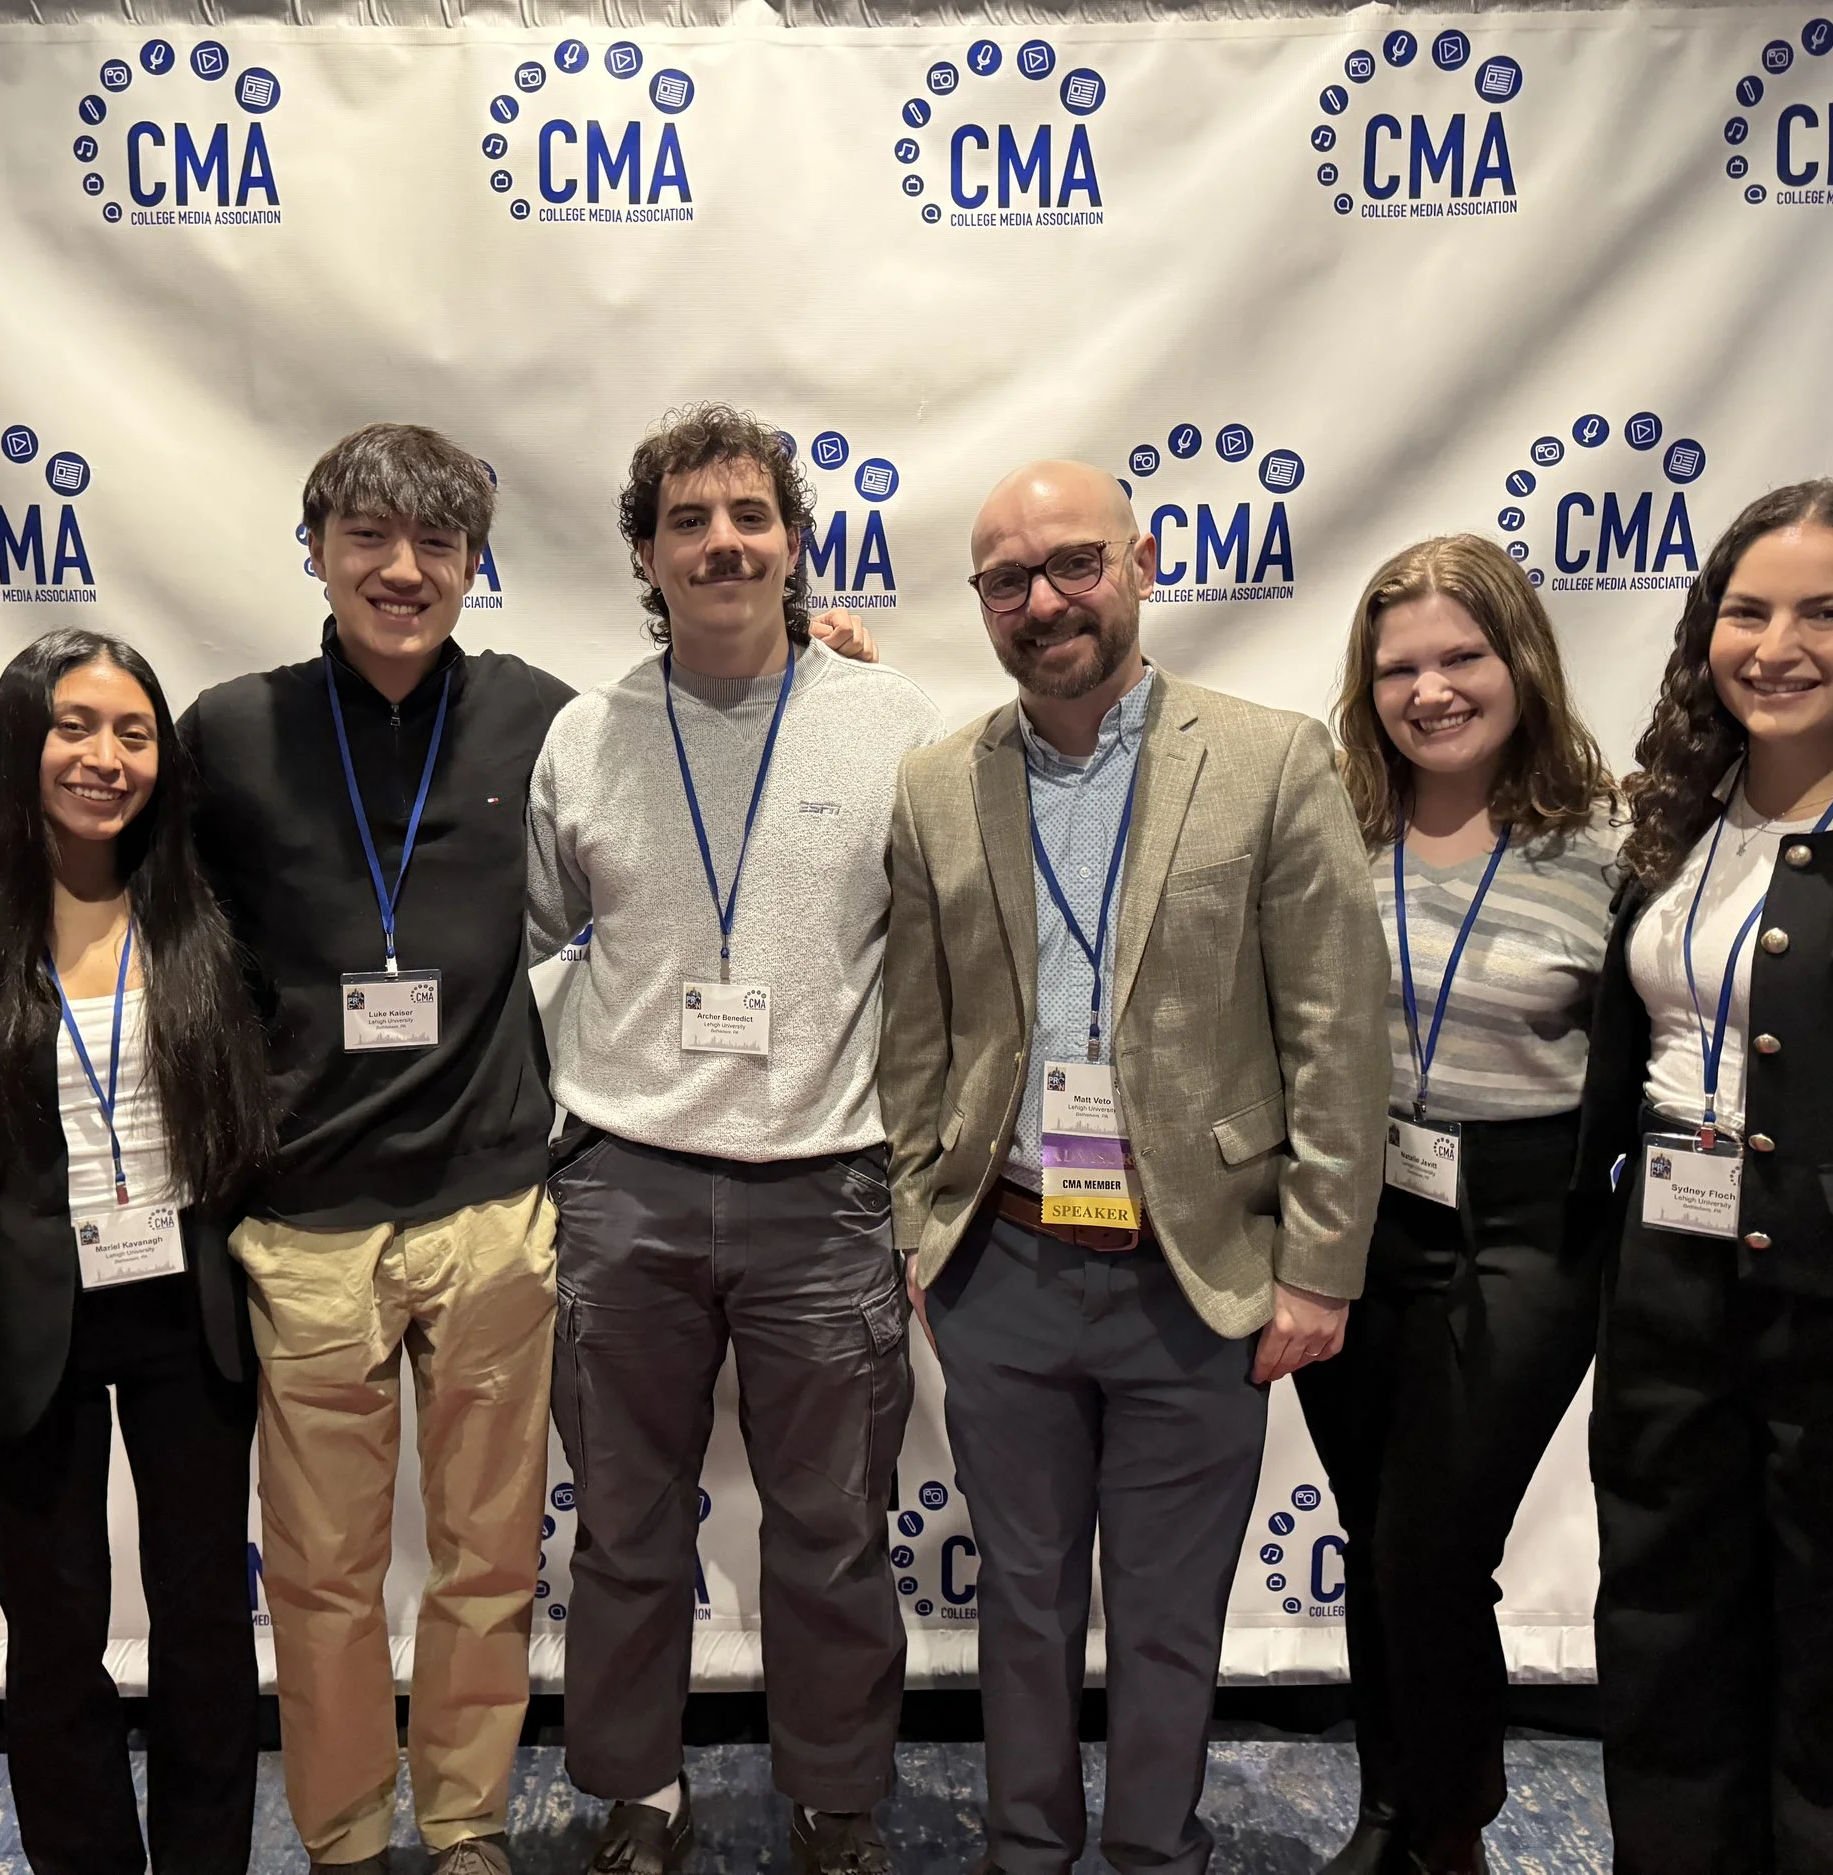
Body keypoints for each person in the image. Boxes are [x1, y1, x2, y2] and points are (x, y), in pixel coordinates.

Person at [879, 461, 1389, 1875]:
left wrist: (1318, 1263)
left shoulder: (1273, 759)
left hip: (1202, 1266)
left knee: (1171, 1608)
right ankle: (1027, 1843)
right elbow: (914, 1038)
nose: (1043, 601)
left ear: (1144, 561)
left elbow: (1337, 1036)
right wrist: (928, 1232)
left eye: (1073, 563)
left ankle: (1157, 1848)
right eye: (1006, 580)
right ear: (980, 604)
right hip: (1008, 1261)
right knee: (1022, 1599)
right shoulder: (935, 785)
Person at [526, 404, 942, 1875]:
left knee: (830, 1527)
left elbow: (948, 953)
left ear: (791, 541)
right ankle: (634, 1792)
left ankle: (836, 1798)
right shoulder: (584, 734)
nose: (722, 541)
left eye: (749, 515)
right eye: (689, 519)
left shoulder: (896, 723)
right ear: (646, 551)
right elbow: (527, 944)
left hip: (825, 1188)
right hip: (624, 1189)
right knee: (627, 1524)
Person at [1574, 478, 1833, 1874]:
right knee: (1669, 1663)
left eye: (1828, 609)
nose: (1777, 643)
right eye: (1746, 610)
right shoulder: (1677, 818)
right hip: (1674, 1321)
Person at [178, 424, 574, 1875]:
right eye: (369, 538)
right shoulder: (228, 728)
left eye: (438, 544)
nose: (403, 570)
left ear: (476, 564)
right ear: (318, 551)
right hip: (307, 1217)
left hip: (490, 1205)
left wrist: (815, 650)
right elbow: (137, 917)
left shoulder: (542, 716)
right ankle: (343, 1831)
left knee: (489, 1554)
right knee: (324, 1570)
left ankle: (465, 1817)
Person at [1293, 538, 1618, 1875]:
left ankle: (1448, 1826)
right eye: (1397, 667)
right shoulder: (1331, 823)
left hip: (1528, 1227)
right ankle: (1392, 1804)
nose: (1429, 689)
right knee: (1380, 1535)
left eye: (1460, 657)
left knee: (1433, 1543)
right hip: (1354, 1218)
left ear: (1520, 660)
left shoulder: (1611, 840)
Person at [0, 629, 275, 1875]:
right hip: (21, 1321)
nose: (105, 756)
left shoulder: (209, 919)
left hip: (190, 1308)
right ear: (20, 740)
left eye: (134, 732)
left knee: (203, 1626)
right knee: (56, 1633)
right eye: (75, 725)